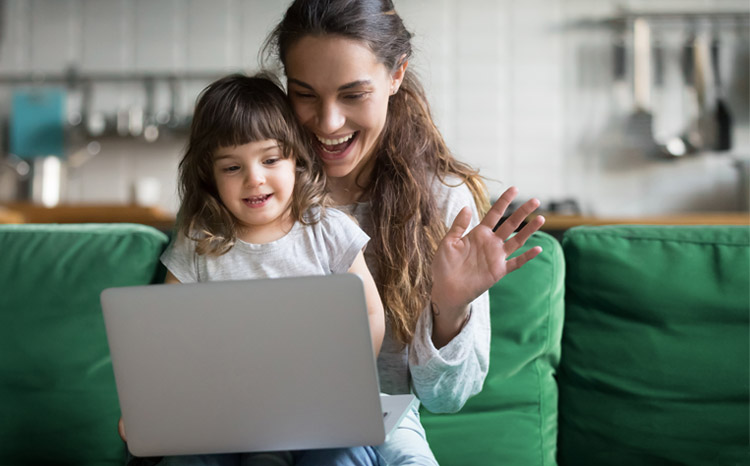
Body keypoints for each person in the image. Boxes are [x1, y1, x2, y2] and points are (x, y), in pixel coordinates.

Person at [262, 0, 546, 464]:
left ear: (396, 76)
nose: (328, 122)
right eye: (305, 94)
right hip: (256, 426)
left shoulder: (441, 204)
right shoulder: (256, 190)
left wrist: (449, 308)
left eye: (353, 94)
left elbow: (445, 399)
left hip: (375, 434)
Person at [121, 73, 385, 466]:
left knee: (343, 458)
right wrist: (151, 410)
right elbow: (167, 338)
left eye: (270, 159)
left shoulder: (327, 230)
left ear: (296, 158)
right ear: (209, 176)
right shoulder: (198, 242)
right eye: (231, 168)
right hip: (223, 420)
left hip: (315, 414)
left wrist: (347, 380)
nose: (254, 178)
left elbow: (369, 311)